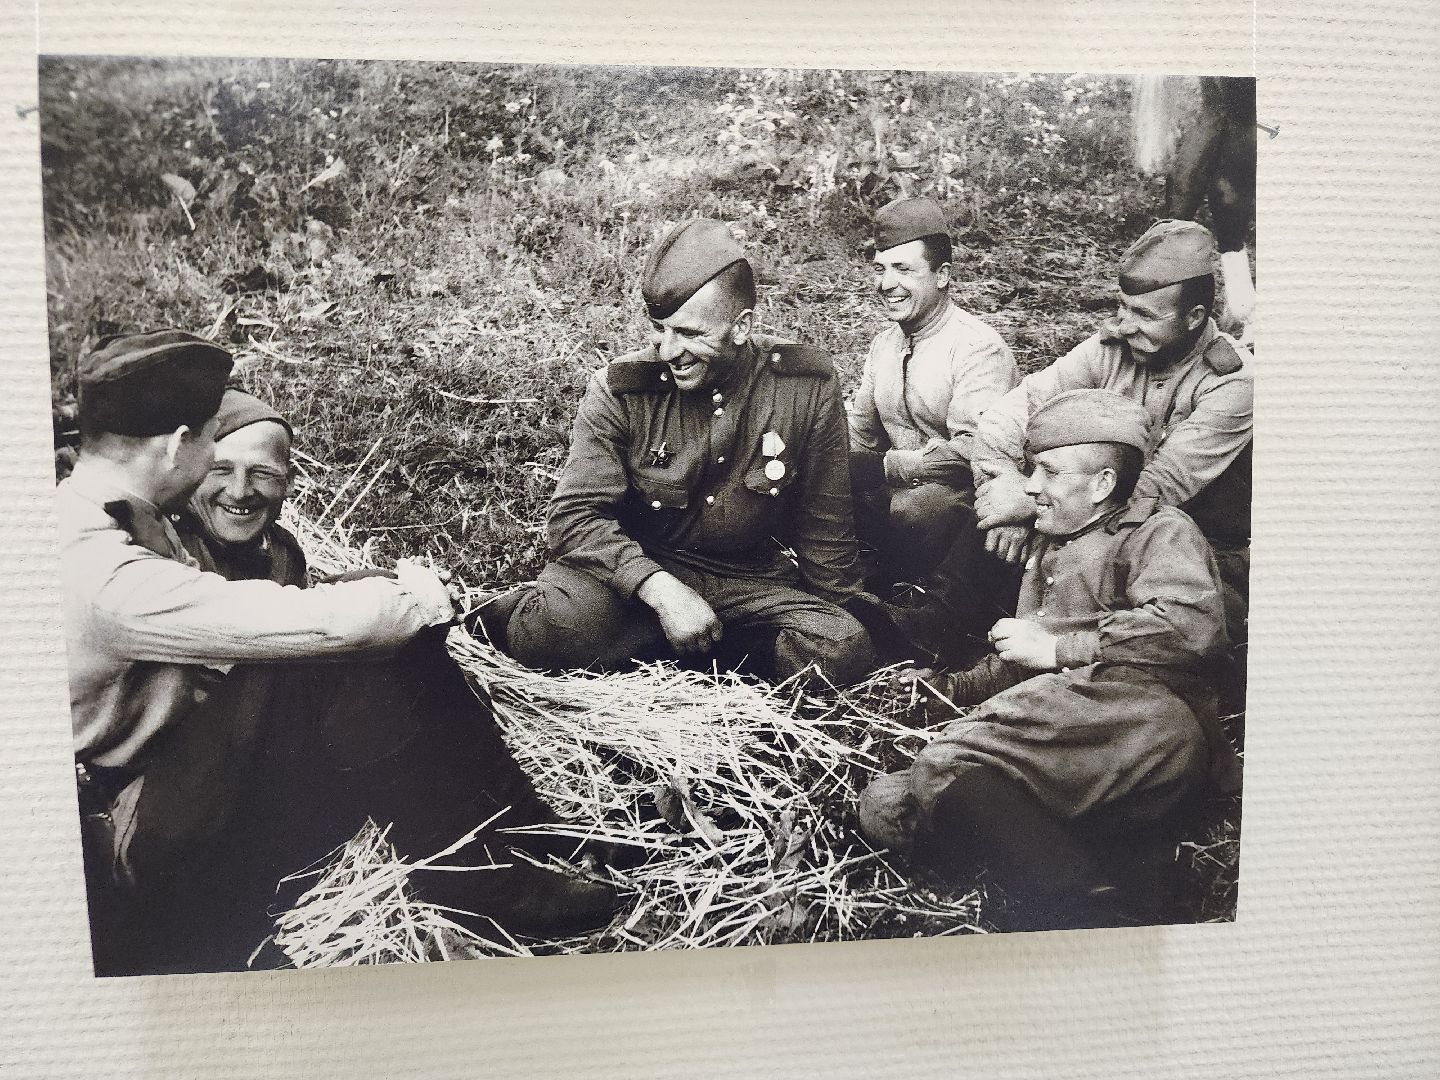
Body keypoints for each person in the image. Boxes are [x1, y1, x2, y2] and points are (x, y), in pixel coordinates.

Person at [58, 334, 618, 976]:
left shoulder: (85, 517)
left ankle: (511, 834)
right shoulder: (103, 574)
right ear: (177, 443)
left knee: (360, 633)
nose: (221, 462)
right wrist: (422, 600)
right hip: (135, 826)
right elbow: (300, 626)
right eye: (214, 443)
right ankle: (480, 885)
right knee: (357, 649)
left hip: (167, 768)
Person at [857, 389, 1239, 931]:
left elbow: (1190, 628)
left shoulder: (1160, 531)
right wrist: (944, 692)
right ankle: (1109, 870)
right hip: (1069, 729)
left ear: (1104, 484)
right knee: (888, 807)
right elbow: (1025, 663)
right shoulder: (1055, 539)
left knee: (945, 769)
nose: (1031, 486)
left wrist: (1063, 648)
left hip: (1140, 722)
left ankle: (1074, 906)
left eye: (1048, 472)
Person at [472, 219, 876, 687]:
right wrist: (661, 592)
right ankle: (529, 614)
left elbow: (823, 525)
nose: (668, 350)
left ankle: (658, 646)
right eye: (660, 329)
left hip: (747, 579)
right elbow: (574, 517)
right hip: (637, 567)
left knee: (842, 650)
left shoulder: (804, 386)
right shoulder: (622, 391)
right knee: (559, 630)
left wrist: (848, 617)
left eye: (687, 332)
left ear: (741, 327)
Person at [921, 218, 1251, 654]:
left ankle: (981, 641)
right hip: (1087, 512)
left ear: (1195, 318)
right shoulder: (1109, 351)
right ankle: (937, 626)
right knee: (994, 520)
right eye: (1123, 308)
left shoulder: (1231, 383)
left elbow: (1160, 487)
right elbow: (1006, 416)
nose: (1126, 325)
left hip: (1183, 549)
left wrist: (1030, 503)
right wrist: (1004, 485)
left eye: (1145, 316)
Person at [848, 196, 1019, 594]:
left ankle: (926, 600)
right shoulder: (884, 344)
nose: (887, 284)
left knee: (918, 509)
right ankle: (859, 585)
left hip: (960, 500)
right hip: (894, 494)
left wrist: (886, 467)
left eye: (903, 270)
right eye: (881, 269)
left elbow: (976, 449)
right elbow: (860, 430)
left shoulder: (977, 348)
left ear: (942, 275)